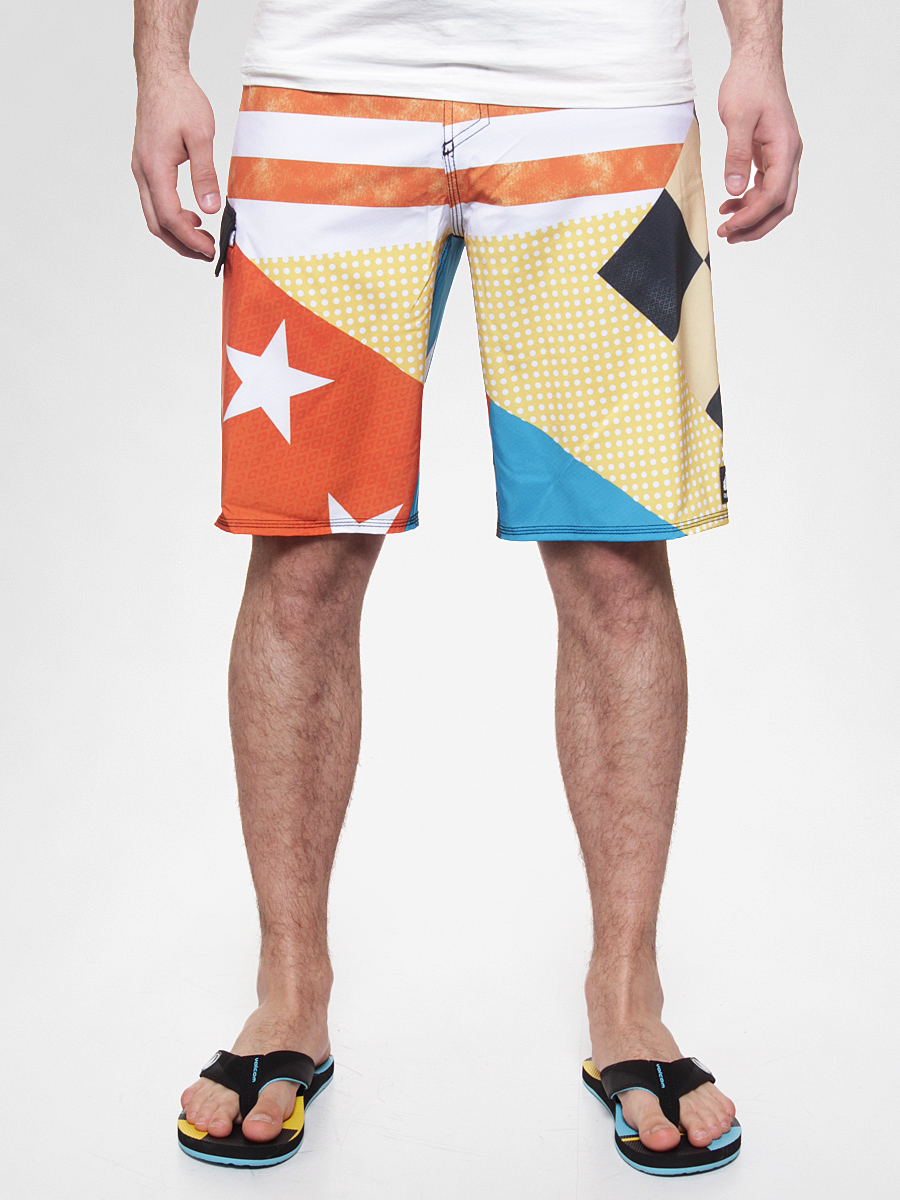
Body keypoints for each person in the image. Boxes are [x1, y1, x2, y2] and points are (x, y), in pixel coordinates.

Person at [132, 0, 800, 1176]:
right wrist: (160, 61)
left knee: (615, 564)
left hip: (599, 80)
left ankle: (628, 997)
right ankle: (289, 991)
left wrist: (759, 49)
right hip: (328, 72)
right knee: (301, 561)